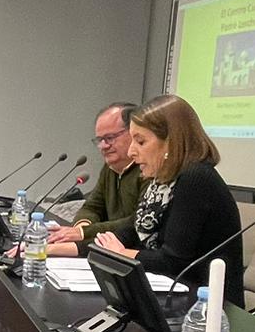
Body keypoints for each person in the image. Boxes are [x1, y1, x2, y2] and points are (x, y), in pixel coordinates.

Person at [84, 94, 245, 306]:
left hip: (208, 311)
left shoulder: (196, 178)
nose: (132, 151)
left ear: (171, 141)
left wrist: (121, 254)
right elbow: (130, 232)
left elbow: (174, 261)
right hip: (171, 296)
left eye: (140, 141)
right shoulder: (162, 182)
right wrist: (67, 246)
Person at [49, 102, 146, 247]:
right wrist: (79, 228)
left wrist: (84, 233)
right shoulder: (110, 168)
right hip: (110, 247)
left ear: (134, 133)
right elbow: (92, 207)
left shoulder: (148, 170)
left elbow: (137, 221)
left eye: (110, 138)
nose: (104, 146)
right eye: (100, 140)